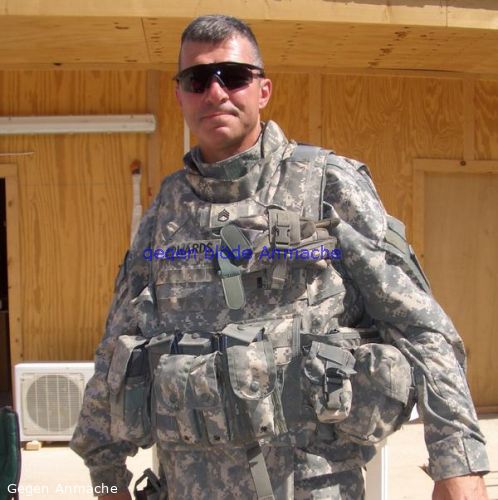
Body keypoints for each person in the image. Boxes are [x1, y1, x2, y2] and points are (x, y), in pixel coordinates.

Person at [70, 14, 490, 500]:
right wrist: (106, 479)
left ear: (263, 90)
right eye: (197, 79)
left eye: (233, 76)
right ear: (180, 95)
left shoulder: (327, 185)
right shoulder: (166, 209)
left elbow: (420, 326)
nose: (215, 92)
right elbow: (116, 348)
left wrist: (458, 466)